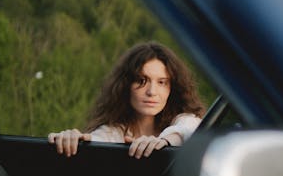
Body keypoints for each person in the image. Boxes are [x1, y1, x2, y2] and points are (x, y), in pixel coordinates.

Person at [48, 41, 205, 159]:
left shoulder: (182, 121)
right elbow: (98, 140)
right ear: (125, 85)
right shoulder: (114, 133)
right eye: (142, 80)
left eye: (162, 82)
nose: (151, 92)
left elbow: (190, 128)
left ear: (172, 88)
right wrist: (73, 139)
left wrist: (166, 141)